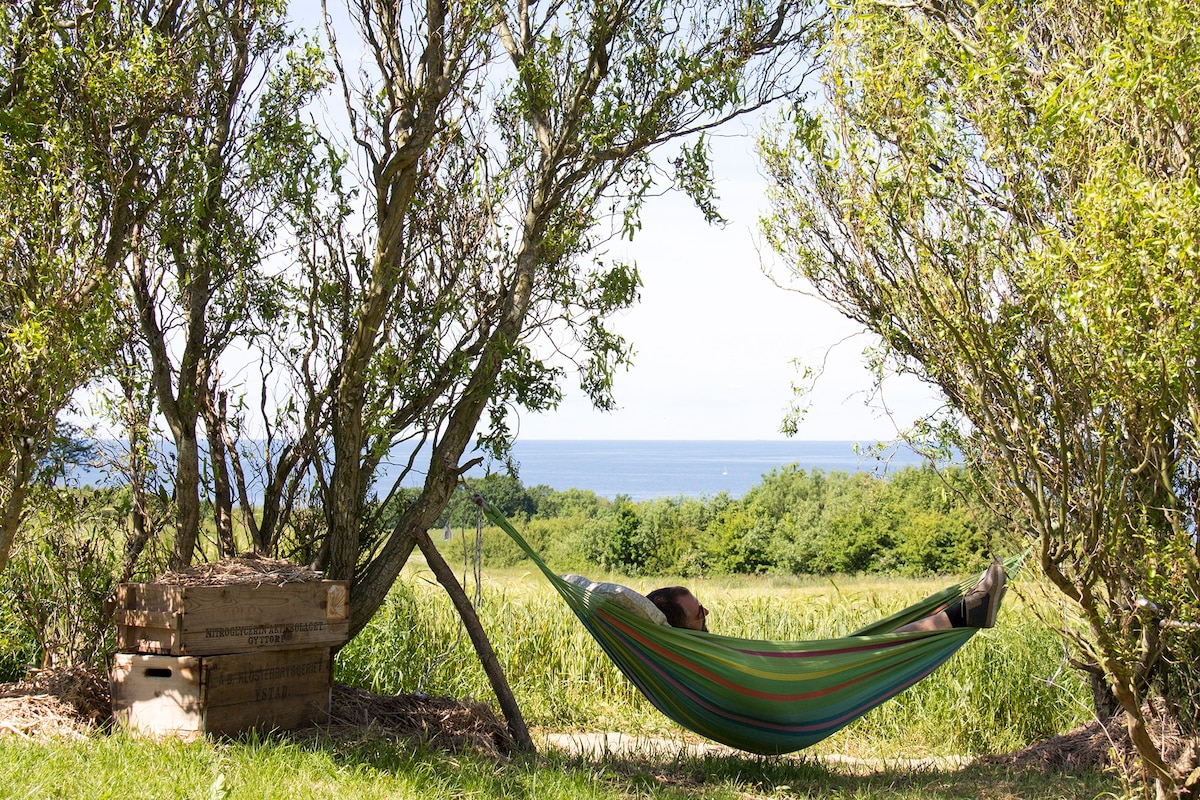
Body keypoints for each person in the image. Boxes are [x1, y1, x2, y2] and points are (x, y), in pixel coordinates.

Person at [648, 560, 1006, 634]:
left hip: (781, 677)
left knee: (870, 642)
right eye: (699, 614)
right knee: (874, 646)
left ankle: (959, 610)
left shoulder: (695, 649)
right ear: (681, 626)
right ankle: (964, 613)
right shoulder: (694, 654)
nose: (707, 613)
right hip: (780, 698)